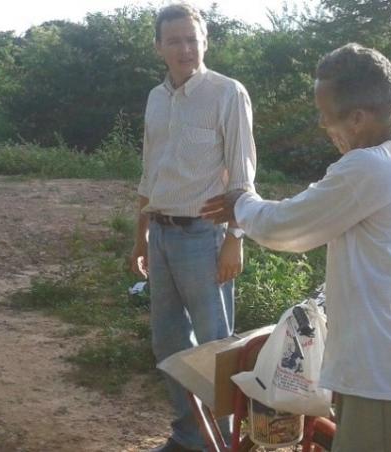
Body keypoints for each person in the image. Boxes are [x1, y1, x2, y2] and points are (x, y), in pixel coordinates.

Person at [201, 43, 391, 451]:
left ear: (357, 117)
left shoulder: (368, 167)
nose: (322, 125)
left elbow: (289, 227)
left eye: (325, 115)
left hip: (378, 371)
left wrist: (240, 204)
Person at [130, 3, 256, 451]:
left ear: (206, 40)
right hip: (162, 235)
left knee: (216, 348)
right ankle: (189, 434)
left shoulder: (227, 93)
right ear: (159, 47)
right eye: (175, 40)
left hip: (204, 238)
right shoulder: (156, 97)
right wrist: (141, 234)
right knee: (168, 343)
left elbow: (242, 179)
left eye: (193, 38)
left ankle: (225, 441)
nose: (186, 48)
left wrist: (234, 241)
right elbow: (150, 173)